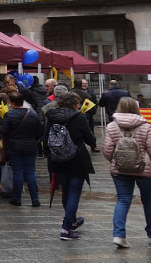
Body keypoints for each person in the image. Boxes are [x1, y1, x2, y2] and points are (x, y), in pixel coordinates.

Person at [103, 97, 151, 248]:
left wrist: (116, 161)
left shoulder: (111, 126)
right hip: (145, 169)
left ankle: (119, 235)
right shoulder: (146, 126)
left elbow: (107, 150)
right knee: (149, 201)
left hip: (120, 170)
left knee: (123, 200)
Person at [45, 92, 96, 240]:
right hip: (77, 158)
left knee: (66, 191)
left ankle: (71, 220)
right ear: (74, 104)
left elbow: (46, 138)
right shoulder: (80, 117)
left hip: (58, 159)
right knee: (74, 193)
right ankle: (66, 228)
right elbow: (91, 140)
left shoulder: (51, 116)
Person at [0, 92, 42, 207]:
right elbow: (40, 132)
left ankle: (17, 198)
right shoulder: (32, 114)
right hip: (31, 146)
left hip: (14, 147)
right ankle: (35, 199)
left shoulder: (9, 115)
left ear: (12, 103)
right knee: (30, 172)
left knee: (17, 172)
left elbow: (3, 131)